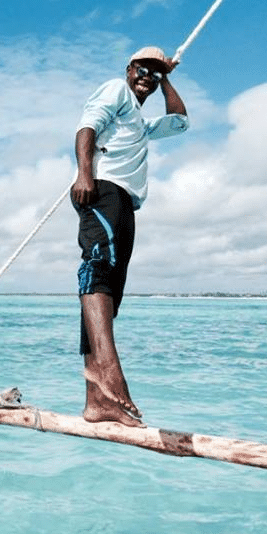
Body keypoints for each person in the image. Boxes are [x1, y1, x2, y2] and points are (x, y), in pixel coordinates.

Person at [70, 46, 189, 427]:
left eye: (152, 76)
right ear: (127, 70)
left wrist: (167, 75)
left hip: (125, 203)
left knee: (109, 296)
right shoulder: (115, 91)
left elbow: (180, 121)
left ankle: (97, 401)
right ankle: (109, 369)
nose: (146, 78)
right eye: (142, 70)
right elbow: (87, 126)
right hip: (103, 190)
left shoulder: (139, 120)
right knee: (97, 272)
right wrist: (84, 174)